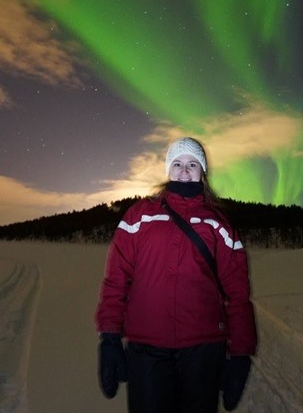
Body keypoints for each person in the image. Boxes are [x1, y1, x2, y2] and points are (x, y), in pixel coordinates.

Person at [95, 137, 257, 412]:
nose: (184, 170)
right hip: (147, 349)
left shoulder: (219, 224)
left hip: (203, 351)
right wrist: (109, 337)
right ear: (168, 169)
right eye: (178, 163)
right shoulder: (139, 216)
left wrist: (240, 354)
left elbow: (238, 294)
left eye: (192, 164)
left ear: (202, 173)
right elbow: (116, 278)